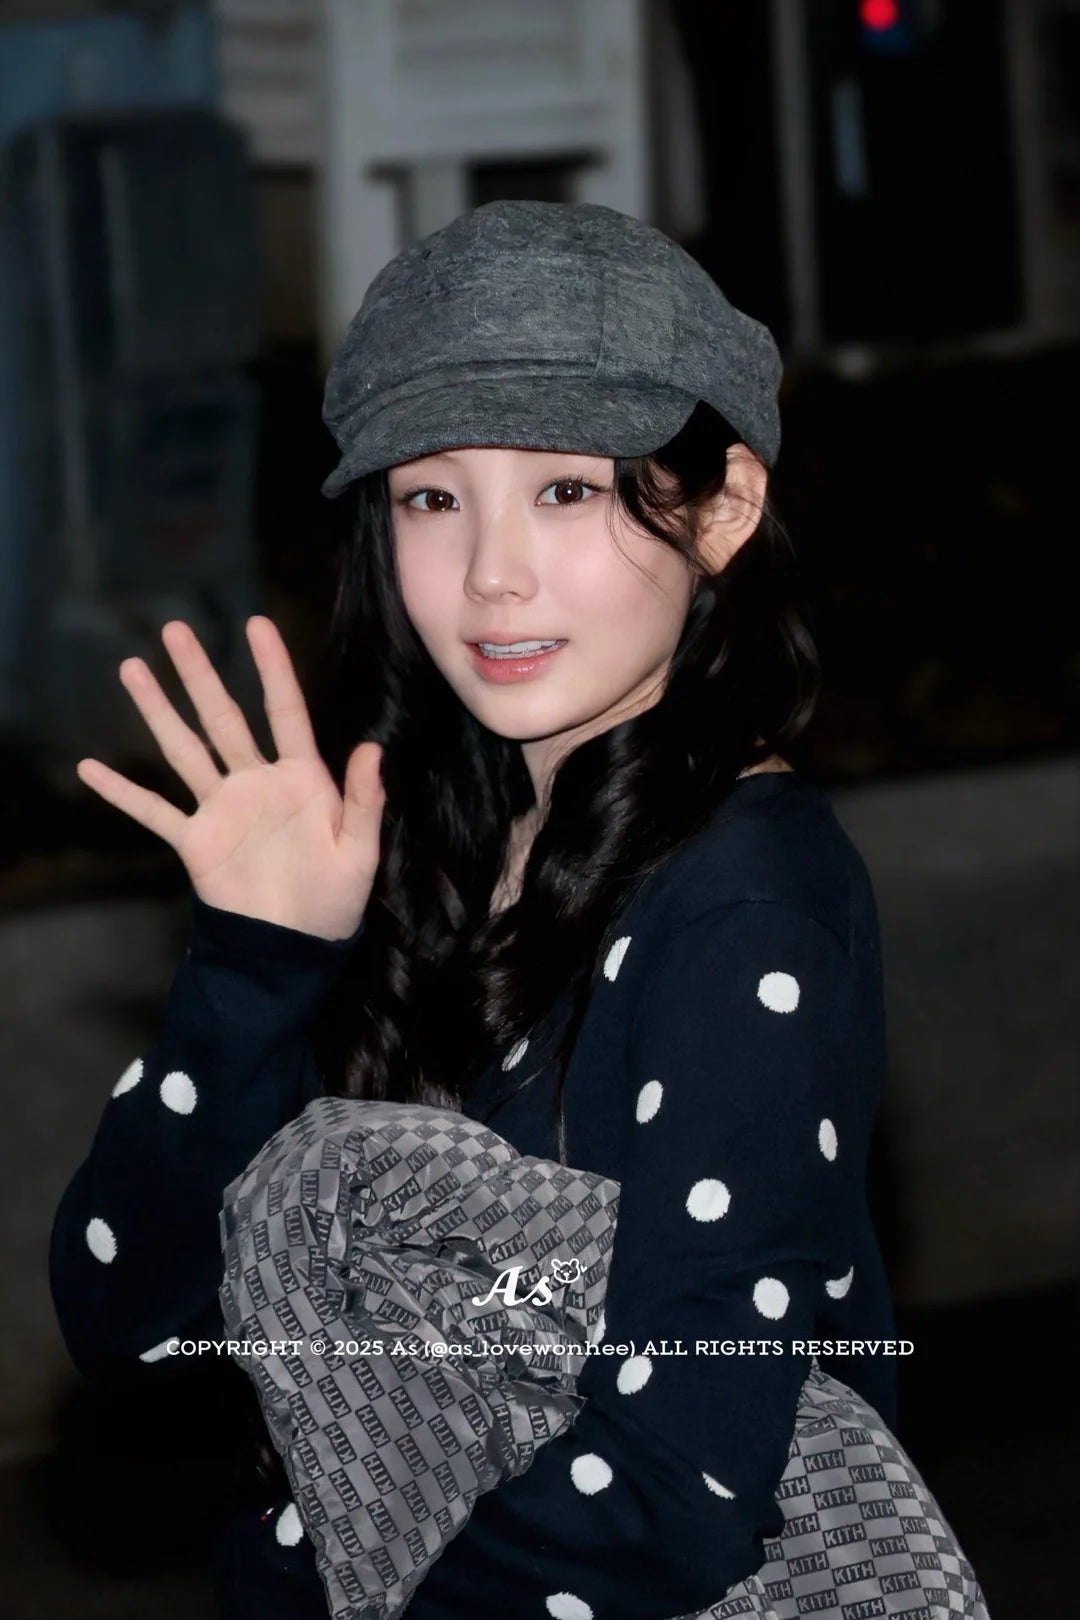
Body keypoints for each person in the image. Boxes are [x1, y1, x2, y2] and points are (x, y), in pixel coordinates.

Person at [50, 201, 899, 1620]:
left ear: (723, 508)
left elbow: (681, 1491)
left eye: (565, 489)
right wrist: (254, 966)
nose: (493, 573)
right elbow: (129, 1323)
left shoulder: (744, 903)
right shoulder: (415, 843)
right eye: (432, 498)